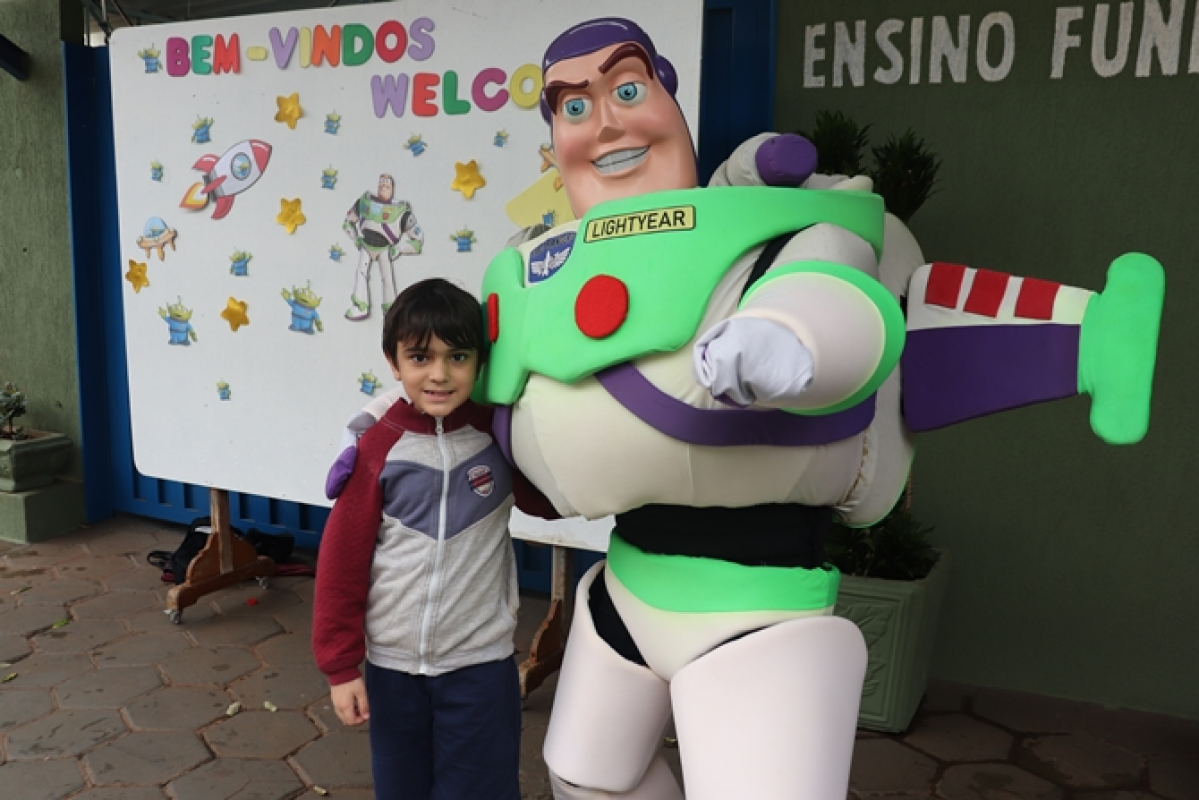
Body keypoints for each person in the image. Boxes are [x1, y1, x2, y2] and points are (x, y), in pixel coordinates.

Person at [476, 16, 1162, 800]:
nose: (603, 122)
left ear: (668, 93)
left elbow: (839, 307)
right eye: (572, 106)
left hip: (758, 605)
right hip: (624, 588)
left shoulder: (778, 234)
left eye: (626, 90)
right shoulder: (542, 271)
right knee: (587, 779)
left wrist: (779, 340)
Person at [313, 278, 533, 800]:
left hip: (480, 667)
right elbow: (342, 564)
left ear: (481, 361)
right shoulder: (376, 447)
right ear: (394, 363)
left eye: (458, 357)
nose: (439, 374)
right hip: (392, 673)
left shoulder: (500, 434)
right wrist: (340, 667)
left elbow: (552, 499)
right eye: (420, 357)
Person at [343, 173, 424, 321]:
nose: (383, 188)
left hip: (385, 249)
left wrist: (399, 249)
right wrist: (355, 238)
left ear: (392, 189)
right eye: (381, 185)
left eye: (386, 186)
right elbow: (348, 222)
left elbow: (417, 240)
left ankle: (390, 310)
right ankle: (360, 306)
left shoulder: (402, 213)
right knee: (360, 273)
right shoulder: (363, 203)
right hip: (366, 245)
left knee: (387, 279)